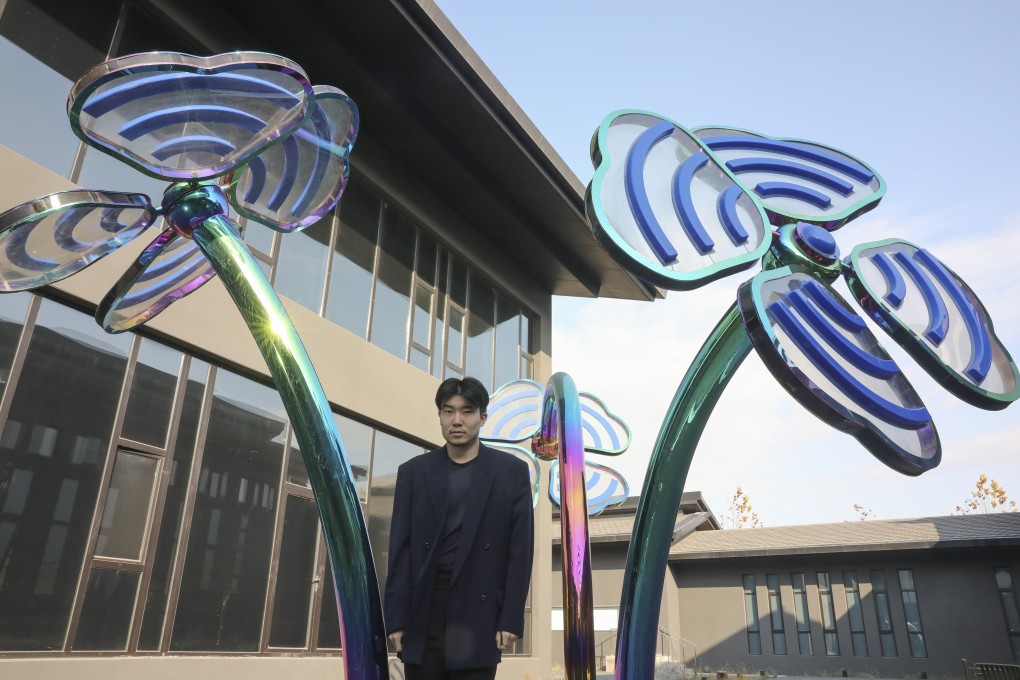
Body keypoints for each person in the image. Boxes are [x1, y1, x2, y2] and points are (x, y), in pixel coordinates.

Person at [385, 377, 534, 680]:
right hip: (424, 610)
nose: (457, 420)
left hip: (478, 611)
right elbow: (401, 551)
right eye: (448, 411)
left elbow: (520, 552)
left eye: (466, 412)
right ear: (439, 416)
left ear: (482, 418)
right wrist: (396, 619)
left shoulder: (511, 473)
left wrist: (510, 617)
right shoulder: (413, 472)